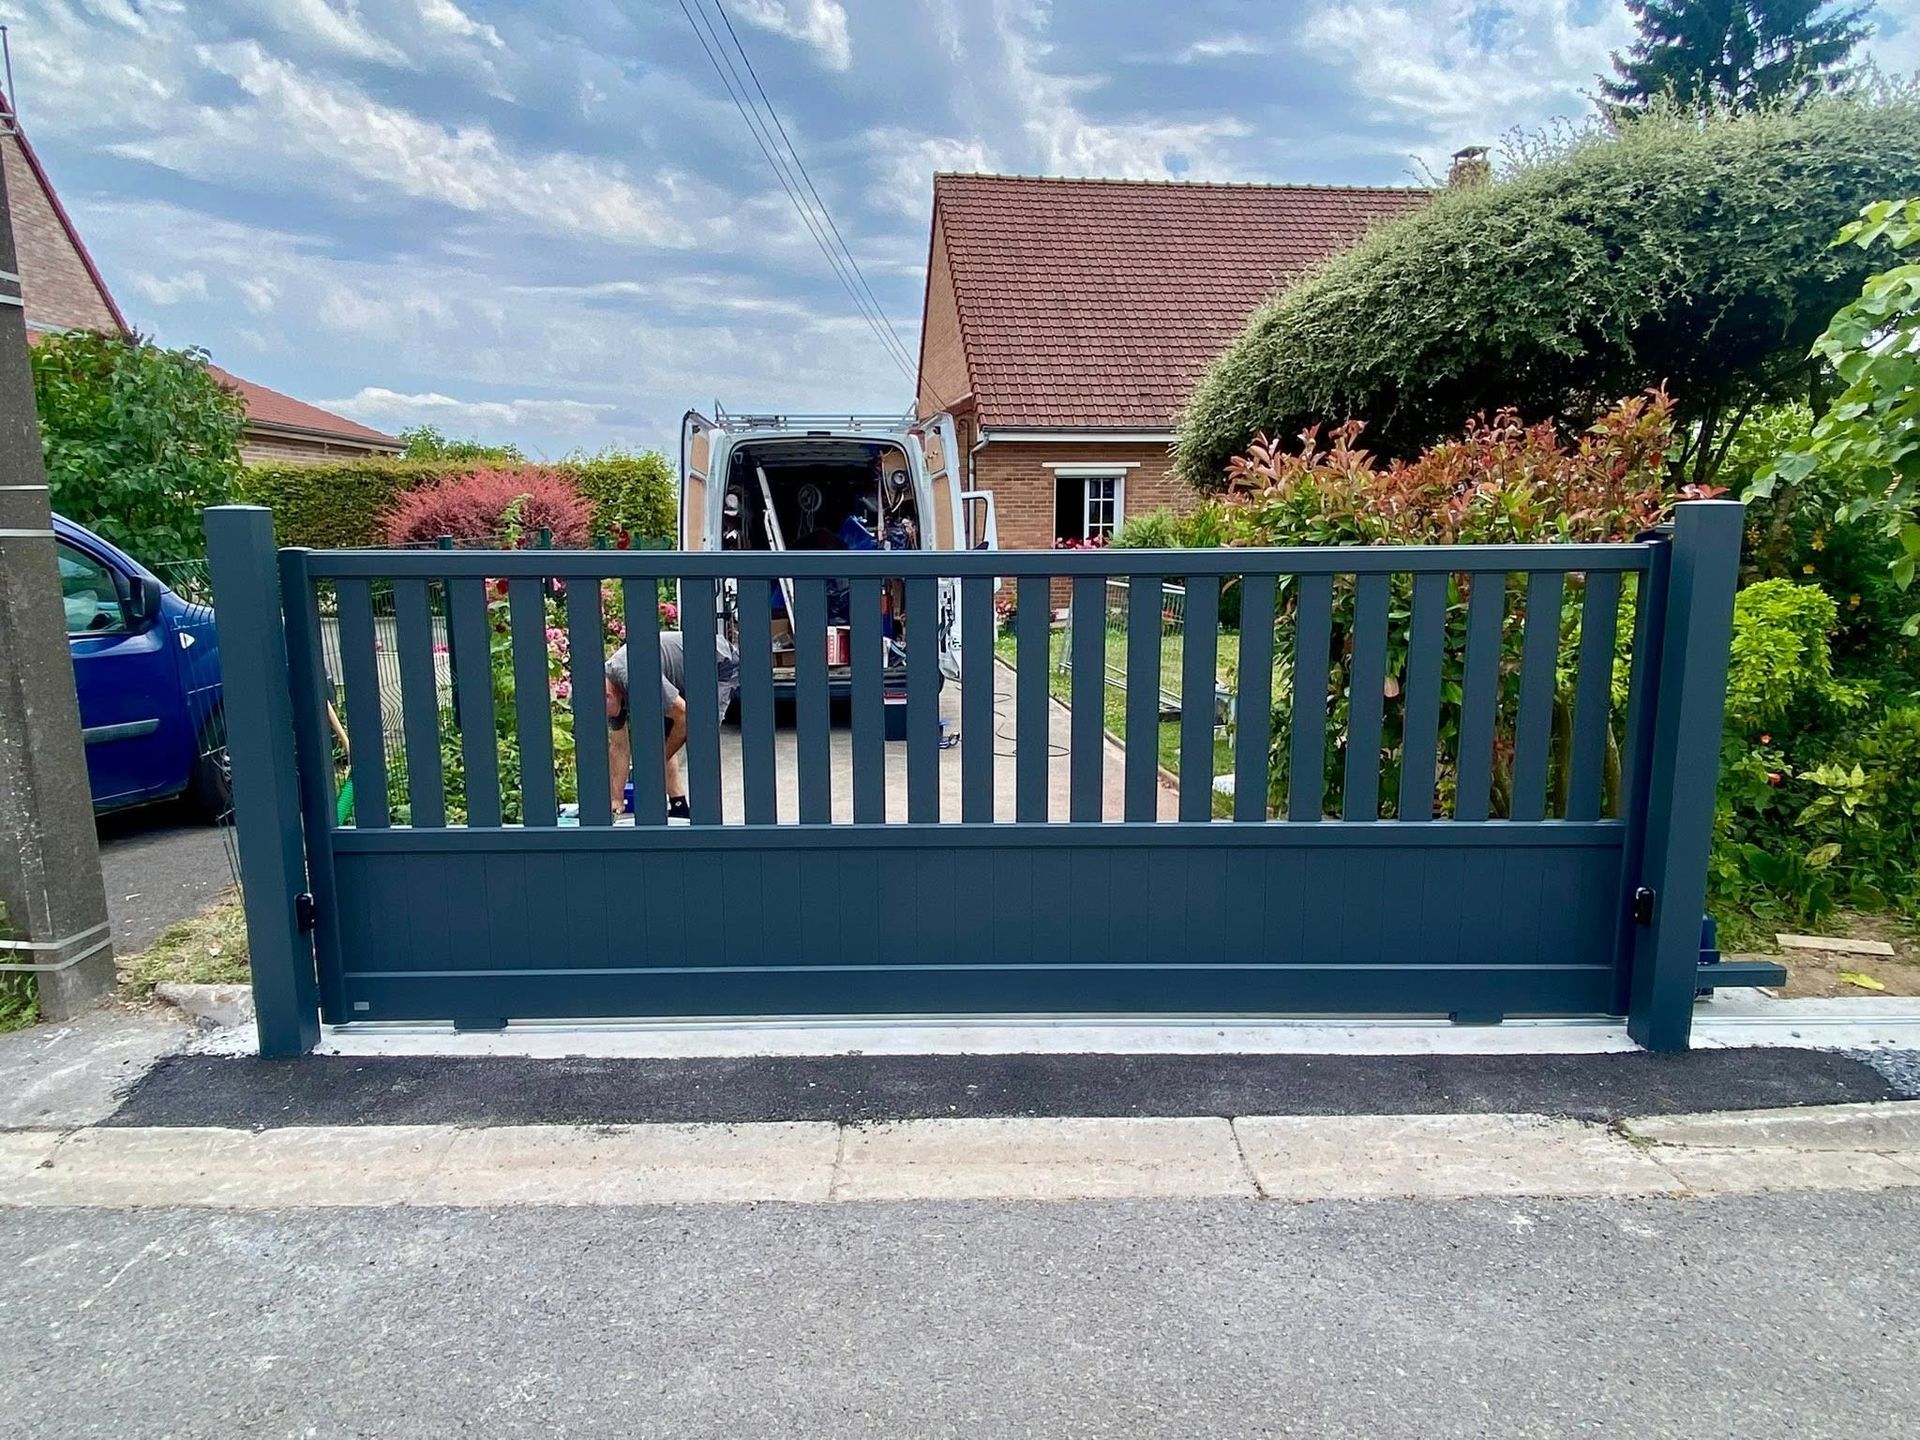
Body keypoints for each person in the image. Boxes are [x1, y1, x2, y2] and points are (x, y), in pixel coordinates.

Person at [605, 630, 740, 819]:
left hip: (717, 664)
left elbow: (684, 717)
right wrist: (616, 799)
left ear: (608, 696)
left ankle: (706, 817)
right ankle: (680, 808)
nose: (606, 718)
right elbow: (619, 747)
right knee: (659, 740)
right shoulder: (608, 694)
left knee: (701, 734)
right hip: (678, 677)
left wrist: (659, 760)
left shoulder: (633, 675)